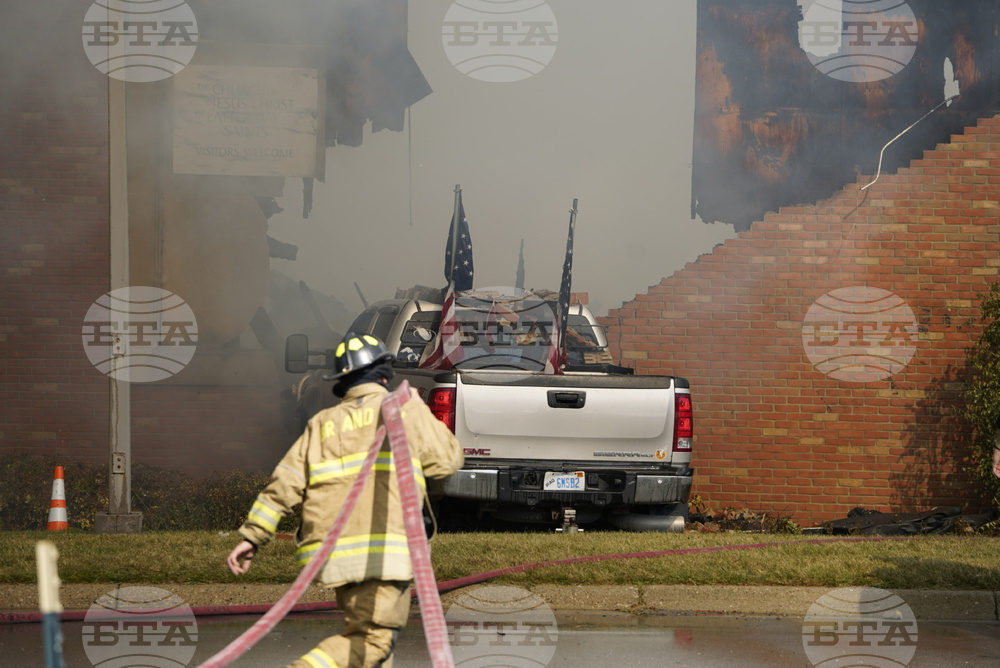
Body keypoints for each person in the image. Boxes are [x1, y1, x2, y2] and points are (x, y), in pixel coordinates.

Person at [227, 332, 463, 668]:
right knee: (373, 641)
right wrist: (419, 412)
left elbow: (284, 484)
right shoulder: (402, 411)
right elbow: (447, 462)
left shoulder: (322, 424)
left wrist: (252, 537)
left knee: (371, 647)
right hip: (384, 552)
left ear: (342, 382)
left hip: (334, 555)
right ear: (385, 374)